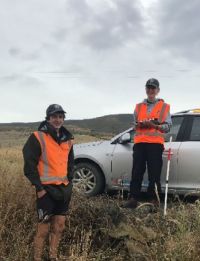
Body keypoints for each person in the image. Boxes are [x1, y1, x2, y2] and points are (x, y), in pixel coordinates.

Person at [23, 104, 74, 261]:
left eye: (60, 116)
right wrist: (39, 188)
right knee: (43, 229)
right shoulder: (38, 136)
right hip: (45, 190)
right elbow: (29, 164)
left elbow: (70, 163)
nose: (57, 120)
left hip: (63, 189)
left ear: (63, 119)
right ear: (48, 118)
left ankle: (53, 256)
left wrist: (69, 182)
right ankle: (37, 258)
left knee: (59, 226)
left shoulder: (68, 139)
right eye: (54, 117)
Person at [124, 78, 172, 209]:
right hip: (139, 144)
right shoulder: (138, 107)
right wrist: (139, 125)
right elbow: (134, 126)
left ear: (158, 90)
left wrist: (154, 125)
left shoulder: (164, 106)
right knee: (136, 172)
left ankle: (154, 199)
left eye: (153, 88)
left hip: (155, 145)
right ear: (146, 89)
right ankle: (133, 198)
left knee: (154, 173)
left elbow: (168, 127)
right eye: (149, 88)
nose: (151, 90)